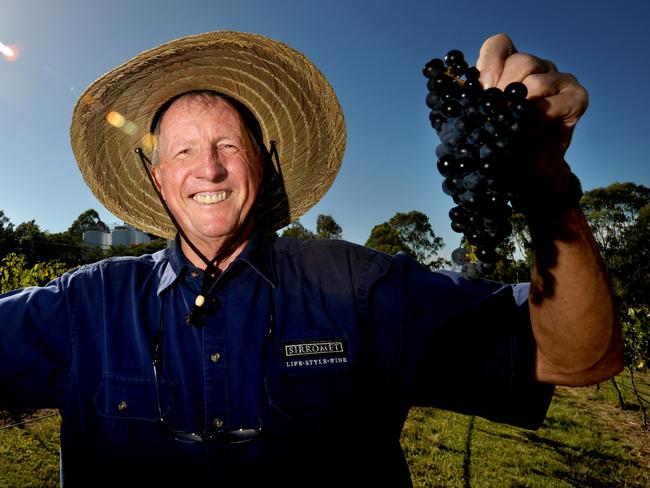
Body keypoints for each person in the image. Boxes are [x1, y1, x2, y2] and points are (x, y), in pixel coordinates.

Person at [0, 31, 622, 487]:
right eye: (184, 151)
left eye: (227, 145)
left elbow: (578, 355)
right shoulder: (87, 302)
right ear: (159, 179)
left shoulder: (360, 286)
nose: (209, 167)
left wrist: (549, 192)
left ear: (261, 165)